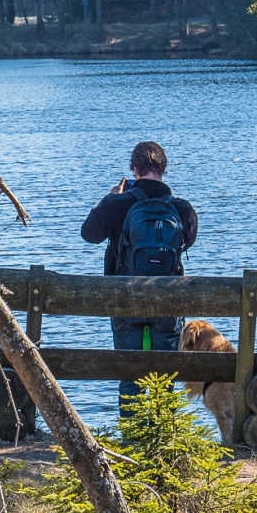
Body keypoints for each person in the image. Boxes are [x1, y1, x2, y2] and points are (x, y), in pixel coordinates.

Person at [81, 141, 198, 416]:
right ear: (163, 169)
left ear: (134, 169)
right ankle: (164, 441)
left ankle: (132, 443)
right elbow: (187, 242)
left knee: (130, 377)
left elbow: (89, 234)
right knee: (165, 377)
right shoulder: (182, 209)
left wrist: (109, 199)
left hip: (125, 300)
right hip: (168, 302)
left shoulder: (118, 203)